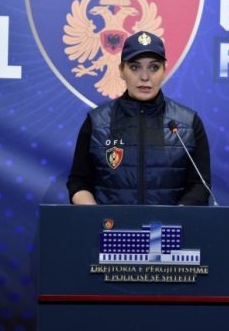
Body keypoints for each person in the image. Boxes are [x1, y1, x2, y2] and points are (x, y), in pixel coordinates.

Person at [67, 31, 211, 205]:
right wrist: (97, 216)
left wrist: (174, 218)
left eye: (154, 67)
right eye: (135, 67)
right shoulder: (97, 121)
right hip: (111, 222)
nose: (144, 77)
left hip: (169, 223)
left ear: (164, 71)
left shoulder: (188, 123)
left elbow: (200, 186)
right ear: (121, 70)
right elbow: (79, 182)